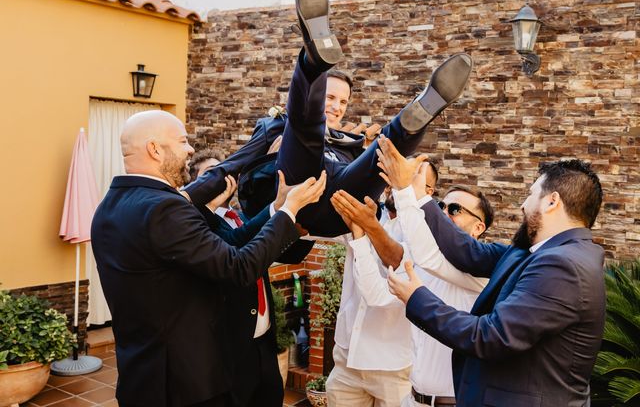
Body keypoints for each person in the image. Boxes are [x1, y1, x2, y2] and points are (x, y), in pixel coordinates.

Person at [185, 0, 474, 238]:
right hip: (296, 200)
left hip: (341, 208)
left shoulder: (349, 140)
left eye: (344, 102)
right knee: (304, 129)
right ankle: (314, 64)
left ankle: (414, 120)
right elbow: (229, 166)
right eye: (330, 98)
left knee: (383, 148)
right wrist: (182, 197)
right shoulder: (276, 125)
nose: (337, 107)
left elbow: (375, 182)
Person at [91, 110, 326, 407]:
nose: (190, 149)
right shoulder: (164, 209)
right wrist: (288, 212)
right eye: (182, 141)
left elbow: (226, 244)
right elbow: (238, 267)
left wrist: (274, 209)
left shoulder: (109, 207)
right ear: (154, 149)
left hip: (142, 378)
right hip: (184, 385)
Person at [378, 137, 605, 407]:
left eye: (531, 194)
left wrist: (417, 298)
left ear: (552, 201)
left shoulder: (565, 266)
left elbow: (491, 336)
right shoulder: (533, 252)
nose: (523, 205)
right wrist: (417, 195)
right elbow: (466, 251)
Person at [331, 163, 492, 407]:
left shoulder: (483, 272)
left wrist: (371, 225)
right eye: (441, 207)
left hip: (449, 397)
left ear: (479, 227)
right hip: (413, 397)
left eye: (455, 209)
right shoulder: (420, 257)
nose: (443, 213)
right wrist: (360, 233)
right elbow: (377, 294)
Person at [189, 149, 306, 407]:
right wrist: (280, 208)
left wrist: (303, 222)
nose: (220, 180)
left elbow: (281, 249)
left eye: (222, 172)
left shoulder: (241, 218)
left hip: (263, 341)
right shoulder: (196, 224)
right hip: (229, 348)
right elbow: (233, 249)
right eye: (209, 176)